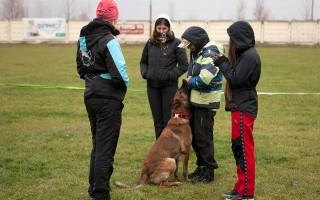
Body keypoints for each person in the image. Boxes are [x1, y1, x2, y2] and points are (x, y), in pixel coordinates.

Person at [76, 0, 129, 199]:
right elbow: (120, 73)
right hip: (108, 98)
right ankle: (100, 193)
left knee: (98, 145)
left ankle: (94, 188)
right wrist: (121, 90)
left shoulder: (83, 37)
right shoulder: (109, 40)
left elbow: (81, 68)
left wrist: (93, 81)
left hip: (90, 94)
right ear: (113, 18)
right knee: (106, 147)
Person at [213, 21, 261, 200]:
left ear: (239, 38)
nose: (230, 42)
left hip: (244, 108)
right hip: (240, 106)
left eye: (232, 38)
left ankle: (247, 192)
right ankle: (240, 187)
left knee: (244, 149)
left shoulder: (249, 56)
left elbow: (235, 79)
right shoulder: (245, 55)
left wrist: (222, 62)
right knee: (238, 148)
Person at [178, 26, 225, 183]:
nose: (189, 48)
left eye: (190, 44)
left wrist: (191, 82)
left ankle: (208, 172)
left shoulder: (210, 53)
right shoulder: (197, 52)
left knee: (204, 138)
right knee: (197, 139)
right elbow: (191, 72)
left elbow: (205, 78)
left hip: (206, 102)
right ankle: (201, 167)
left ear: (197, 42)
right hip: (196, 101)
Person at [140, 14, 188, 139]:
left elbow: (184, 65)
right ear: (155, 28)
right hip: (152, 87)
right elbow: (143, 62)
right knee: (157, 121)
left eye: (164, 28)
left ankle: (169, 147)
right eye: (159, 28)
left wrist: (169, 75)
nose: (161, 31)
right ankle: (159, 147)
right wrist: (146, 73)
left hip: (169, 88)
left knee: (168, 120)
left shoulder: (178, 43)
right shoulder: (150, 43)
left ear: (169, 28)